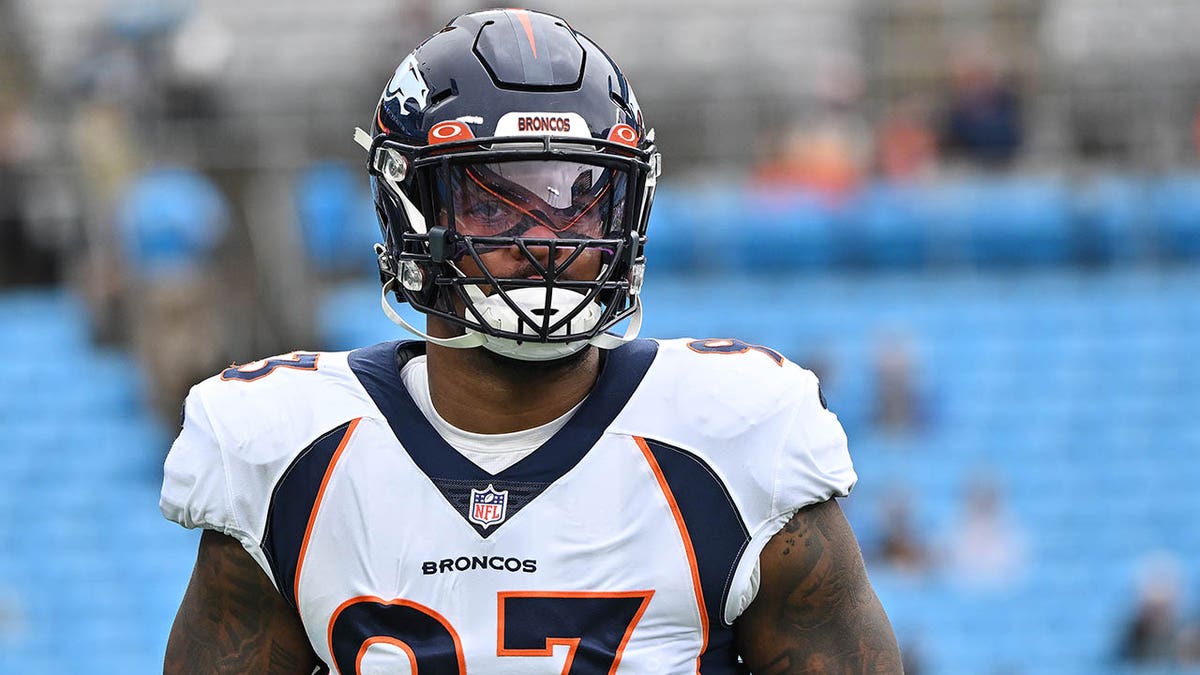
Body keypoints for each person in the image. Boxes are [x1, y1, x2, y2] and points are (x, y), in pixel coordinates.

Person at [160, 9, 902, 673]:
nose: (546, 238)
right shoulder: (288, 451)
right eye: (493, 200)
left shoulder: (737, 437)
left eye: (582, 199)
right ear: (407, 209)